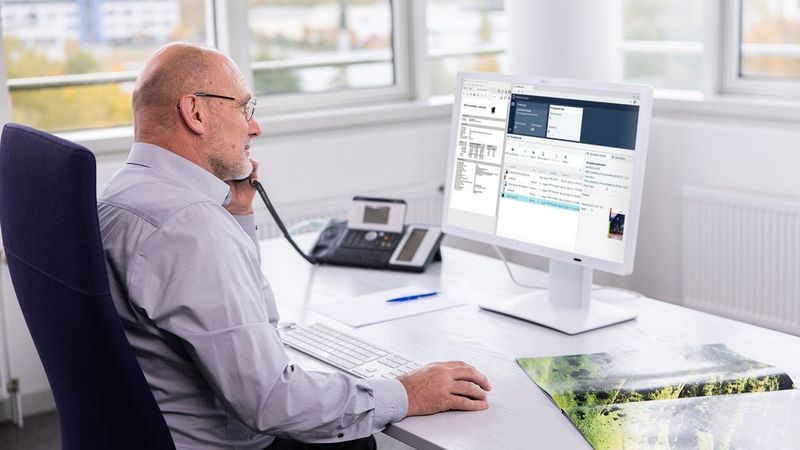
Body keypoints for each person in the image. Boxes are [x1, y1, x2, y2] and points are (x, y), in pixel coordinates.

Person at [97, 42, 491, 450]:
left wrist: (236, 215)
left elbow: (237, 316)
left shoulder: (121, 193)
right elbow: (272, 402)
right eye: (244, 108)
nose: (255, 127)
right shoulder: (191, 226)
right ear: (195, 112)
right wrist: (408, 391)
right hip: (220, 442)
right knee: (363, 438)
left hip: (148, 431)